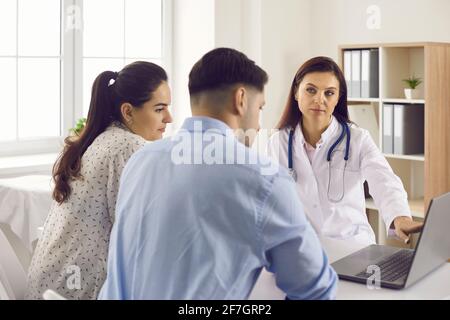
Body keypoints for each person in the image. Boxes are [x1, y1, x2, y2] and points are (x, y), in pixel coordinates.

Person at [98, 48, 337, 300]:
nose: (257, 124)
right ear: (241, 99)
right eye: (260, 108)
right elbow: (315, 289)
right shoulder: (265, 180)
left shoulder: (141, 160)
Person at [26, 61, 173, 300]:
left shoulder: (100, 139)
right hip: (77, 291)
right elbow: (137, 237)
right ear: (128, 111)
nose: (169, 118)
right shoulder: (127, 146)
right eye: (159, 109)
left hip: (50, 289)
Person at [267, 56, 422, 246]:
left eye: (329, 93)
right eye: (311, 90)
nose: (319, 99)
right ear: (296, 92)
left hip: (352, 247)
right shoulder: (278, 142)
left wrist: (400, 217)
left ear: (338, 98)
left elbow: (384, 181)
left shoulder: (357, 139)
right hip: (302, 250)